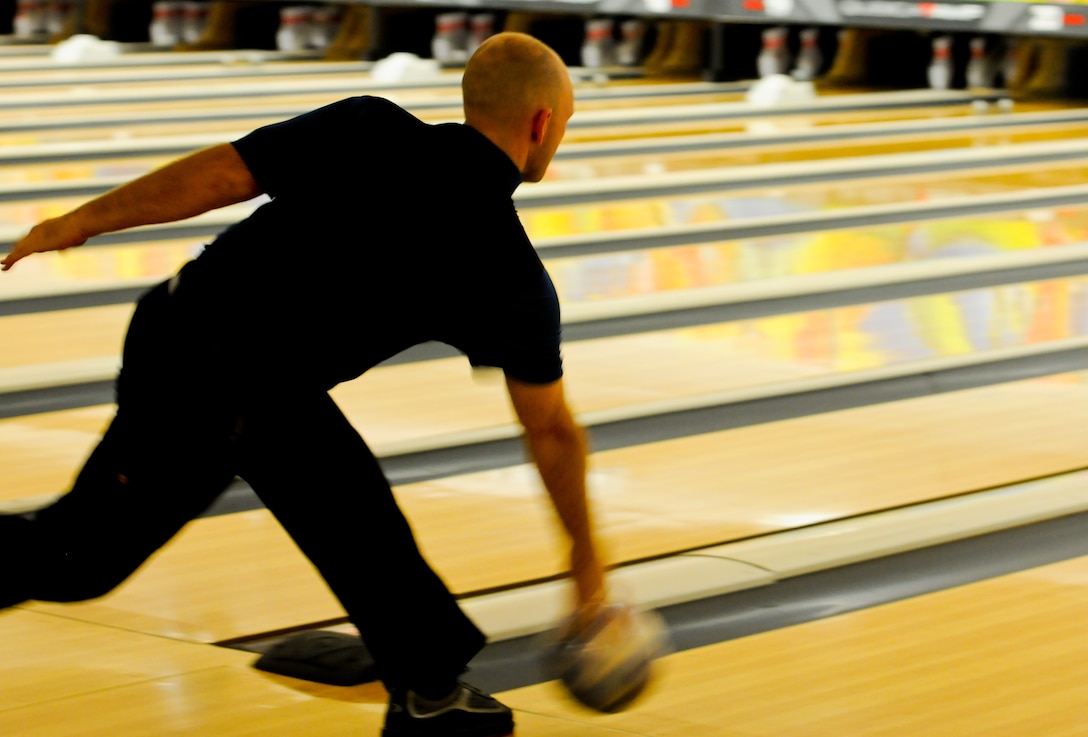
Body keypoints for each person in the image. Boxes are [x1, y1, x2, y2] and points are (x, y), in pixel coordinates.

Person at [0, 32, 607, 737]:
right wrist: (586, 560)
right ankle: (429, 687)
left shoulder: (366, 123)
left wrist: (80, 221)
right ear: (541, 124)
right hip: (205, 375)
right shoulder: (507, 270)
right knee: (78, 559)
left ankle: (430, 691)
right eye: (564, 122)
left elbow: (221, 174)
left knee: (348, 499)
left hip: (193, 332)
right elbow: (551, 429)